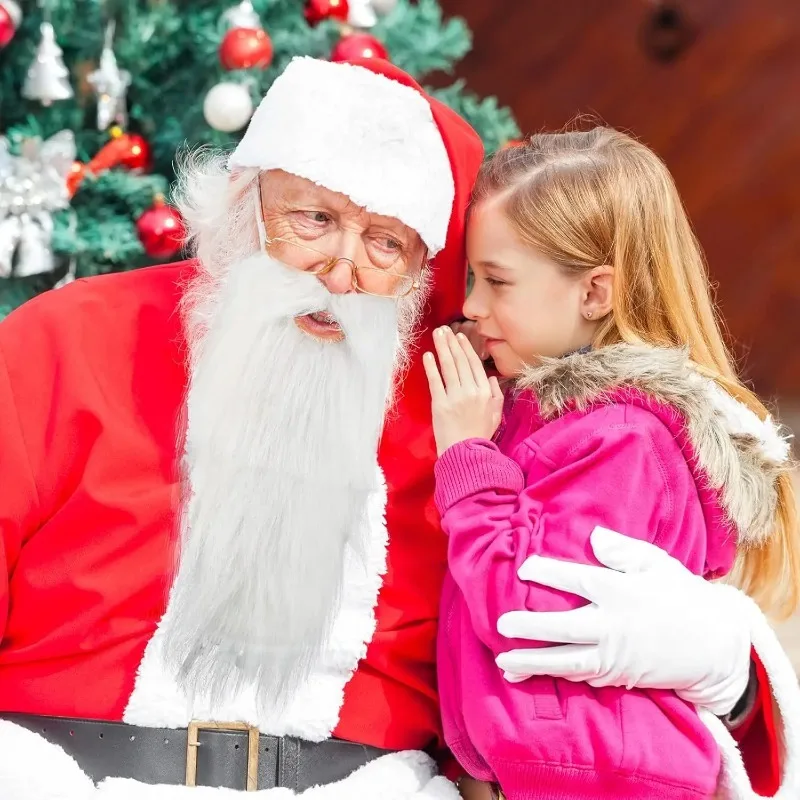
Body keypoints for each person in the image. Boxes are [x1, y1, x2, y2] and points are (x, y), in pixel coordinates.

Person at [0, 57, 793, 799]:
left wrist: (733, 671)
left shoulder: (471, 405)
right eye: (313, 219)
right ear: (246, 204)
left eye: (385, 243)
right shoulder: (69, 341)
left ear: (423, 267)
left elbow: (611, 615)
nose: (342, 271)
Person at [425, 128, 800, 799]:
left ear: (595, 293)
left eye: (498, 281)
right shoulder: (549, 420)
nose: (473, 306)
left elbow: (530, 613)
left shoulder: (621, 437)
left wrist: (466, 458)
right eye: (472, 279)